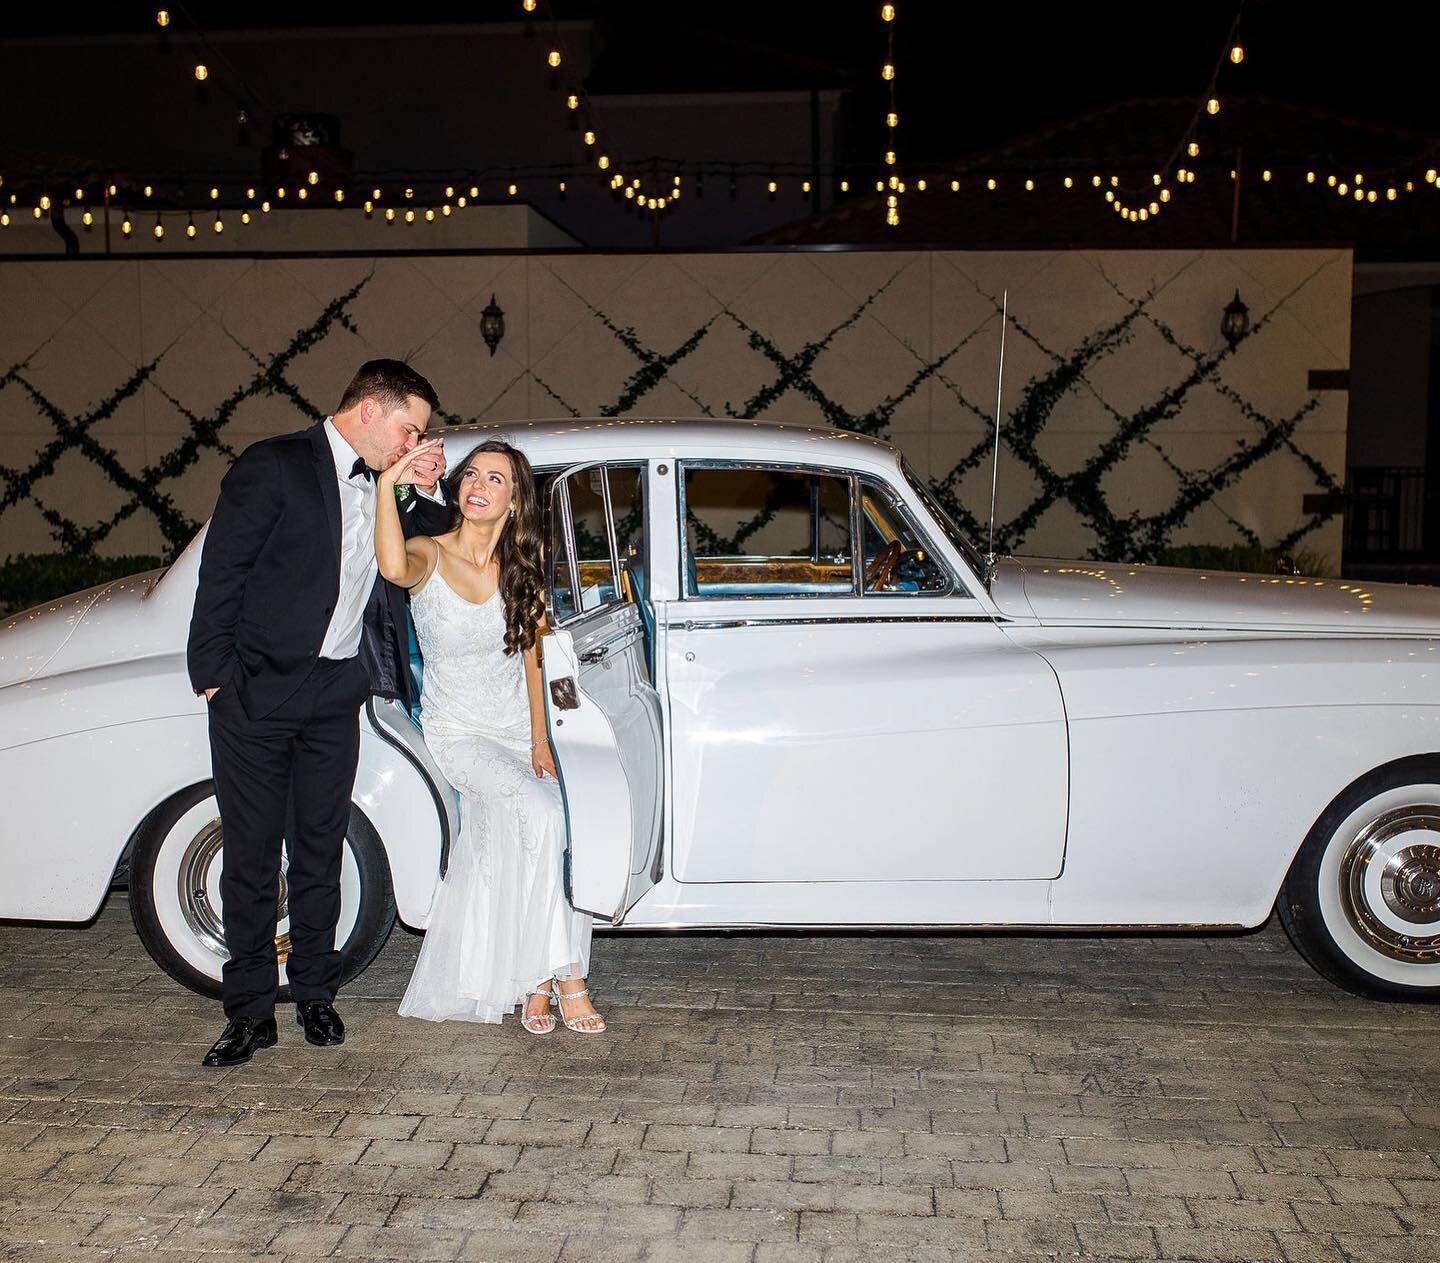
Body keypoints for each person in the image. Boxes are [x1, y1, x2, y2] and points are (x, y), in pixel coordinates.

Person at [187, 359, 449, 1068]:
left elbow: (441, 539)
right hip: (255, 697)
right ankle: (246, 1012)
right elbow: (223, 574)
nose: (413, 440)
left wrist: (425, 483)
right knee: (248, 858)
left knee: (321, 851)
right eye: (409, 427)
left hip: (336, 695)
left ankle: (314, 995)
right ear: (369, 407)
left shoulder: (389, 483)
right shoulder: (273, 466)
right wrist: (215, 681)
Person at [376, 439, 604, 1034]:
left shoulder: (519, 567)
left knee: (552, 814)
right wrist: (389, 483)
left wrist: (539, 739)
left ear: (514, 501)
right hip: (460, 735)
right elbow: (392, 567)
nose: (477, 484)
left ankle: (533, 983)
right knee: (541, 813)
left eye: (495, 479)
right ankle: (566, 976)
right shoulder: (429, 551)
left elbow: (535, 660)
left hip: (514, 732)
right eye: (471, 473)